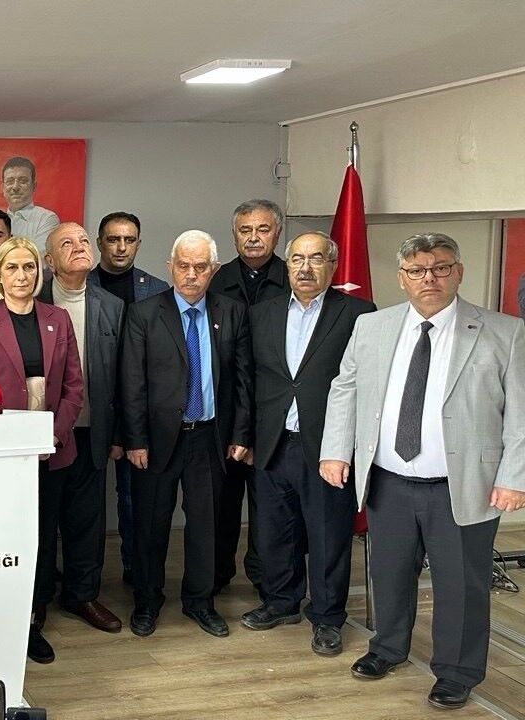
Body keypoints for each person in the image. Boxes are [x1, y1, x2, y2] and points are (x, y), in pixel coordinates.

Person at [321, 233, 525, 710]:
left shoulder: (504, 332)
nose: (428, 278)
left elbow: (520, 413)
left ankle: (456, 672)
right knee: (389, 573)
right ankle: (387, 648)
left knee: (461, 585)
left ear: (458, 272)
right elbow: (345, 388)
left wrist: (514, 476)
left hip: (464, 485)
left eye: (440, 267)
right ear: (402, 278)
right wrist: (335, 451)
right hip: (388, 481)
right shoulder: (372, 326)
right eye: (417, 270)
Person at [243, 232, 375, 657]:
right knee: (273, 531)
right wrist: (246, 436)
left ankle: (327, 617)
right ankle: (281, 603)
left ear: (332, 266)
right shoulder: (262, 313)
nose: (305, 267)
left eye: (316, 258)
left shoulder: (358, 314)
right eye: (297, 259)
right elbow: (251, 379)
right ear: (287, 265)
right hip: (273, 442)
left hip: (326, 448)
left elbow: (365, 385)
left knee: (327, 536)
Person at [120, 230, 252, 639]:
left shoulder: (231, 312)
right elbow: (132, 383)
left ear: (214, 269)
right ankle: (147, 601)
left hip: (210, 438)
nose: (191, 275)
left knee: (205, 526)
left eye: (200, 267)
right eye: (183, 266)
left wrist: (240, 433)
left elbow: (243, 380)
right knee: (151, 524)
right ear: (170, 267)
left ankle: (200, 601)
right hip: (157, 440)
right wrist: (135, 439)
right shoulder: (144, 313)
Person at [0, 236, 84, 663]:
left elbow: (74, 386)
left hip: (52, 449)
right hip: (3, 455)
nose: (21, 275)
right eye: (12, 267)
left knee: (43, 537)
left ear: (40, 272)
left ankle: (34, 618)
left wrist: (54, 433)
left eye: (29, 267)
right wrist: (14, 440)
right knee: (5, 537)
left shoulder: (58, 318)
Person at [38, 223, 126, 636]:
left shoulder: (112, 306)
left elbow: (125, 375)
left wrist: (119, 435)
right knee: (41, 521)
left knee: (87, 521)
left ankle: (82, 594)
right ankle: (38, 600)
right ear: (49, 261)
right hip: (44, 434)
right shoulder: (32, 300)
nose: (80, 247)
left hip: (92, 431)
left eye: (84, 241)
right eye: (67, 243)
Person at [211, 199, 290, 599]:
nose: (253, 238)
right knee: (221, 502)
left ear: (277, 233)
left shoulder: (295, 279)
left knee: (270, 506)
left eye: (262, 229)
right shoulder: (215, 279)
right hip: (225, 412)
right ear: (234, 235)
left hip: (278, 412)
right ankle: (216, 574)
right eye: (245, 230)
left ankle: (266, 580)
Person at [91, 211, 169, 584]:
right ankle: (83, 579)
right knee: (86, 501)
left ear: (138, 243)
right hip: (91, 408)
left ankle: (136, 571)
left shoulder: (156, 289)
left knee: (133, 498)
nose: (121, 247)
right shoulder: (79, 284)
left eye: (129, 240)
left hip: (138, 410)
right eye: (113, 239)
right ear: (99, 243)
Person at [1, 156, 60, 254]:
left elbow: (39, 258)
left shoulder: (46, 219)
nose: (15, 187)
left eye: (23, 181)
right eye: (10, 181)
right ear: (3, 187)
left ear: (34, 186)